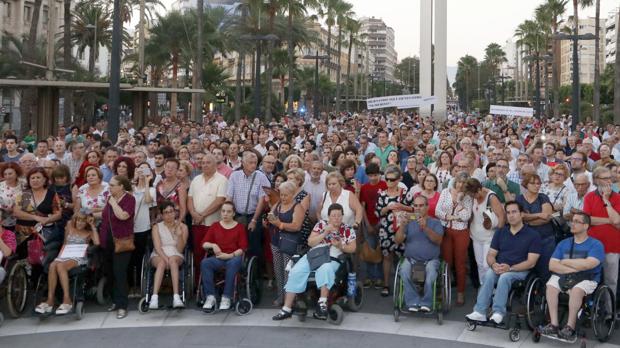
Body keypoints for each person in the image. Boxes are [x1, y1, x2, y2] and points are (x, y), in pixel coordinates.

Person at [272, 203, 356, 321]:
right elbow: (311, 242)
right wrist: (325, 233)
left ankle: (322, 303)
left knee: (325, 268)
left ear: (342, 216)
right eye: (333, 215)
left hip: (333, 257)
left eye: (339, 215)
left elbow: (352, 248)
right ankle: (287, 308)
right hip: (315, 255)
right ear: (328, 216)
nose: (336, 218)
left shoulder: (347, 229)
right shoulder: (321, 224)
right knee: (296, 271)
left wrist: (341, 246)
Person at [466, 201, 541, 325]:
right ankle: (480, 312)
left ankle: (498, 313)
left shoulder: (533, 235)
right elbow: (490, 255)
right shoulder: (501, 232)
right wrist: (493, 264)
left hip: (521, 270)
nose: (511, 215)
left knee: (505, 277)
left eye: (514, 212)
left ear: (522, 214)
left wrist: (510, 268)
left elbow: (531, 262)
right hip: (501, 267)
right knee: (489, 274)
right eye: (508, 213)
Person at [539, 212, 605, 341]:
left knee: (577, 290)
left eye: (576, 222)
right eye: (572, 221)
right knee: (551, 286)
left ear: (586, 226)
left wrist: (565, 261)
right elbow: (552, 265)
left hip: (588, 278)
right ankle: (554, 324)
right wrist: (574, 268)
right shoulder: (563, 243)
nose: (572, 224)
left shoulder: (596, 244)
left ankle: (570, 327)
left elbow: (588, 264)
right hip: (565, 276)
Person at [34, 211, 100, 315]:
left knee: (60, 266)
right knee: (52, 265)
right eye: (78, 220)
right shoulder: (70, 226)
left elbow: (97, 243)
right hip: (65, 254)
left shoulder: (89, 233)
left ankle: (67, 300)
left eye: (83, 221)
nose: (80, 223)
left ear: (86, 222)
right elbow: (65, 243)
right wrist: (59, 256)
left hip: (78, 256)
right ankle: (50, 300)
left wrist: (92, 225)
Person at [394, 195, 444, 312]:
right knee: (404, 271)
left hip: (431, 260)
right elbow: (397, 241)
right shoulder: (409, 222)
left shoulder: (435, 222)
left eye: (421, 206)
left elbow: (438, 240)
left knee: (431, 274)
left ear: (427, 207)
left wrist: (425, 227)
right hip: (411, 259)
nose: (417, 208)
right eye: (415, 206)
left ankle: (426, 302)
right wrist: (402, 226)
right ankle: (413, 301)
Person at [99, 175, 136, 319]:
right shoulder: (110, 198)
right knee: (110, 272)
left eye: (113, 185)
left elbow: (123, 216)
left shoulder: (129, 199)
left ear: (121, 186)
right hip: (107, 240)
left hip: (122, 241)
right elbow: (104, 215)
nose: (110, 187)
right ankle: (115, 300)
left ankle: (122, 305)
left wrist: (113, 203)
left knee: (119, 272)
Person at [200, 201, 248, 311]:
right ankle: (210, 297)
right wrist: (213, 245)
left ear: (234, 214)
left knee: (232, 263)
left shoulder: (239, 227)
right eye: (223, 211)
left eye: (229, 211)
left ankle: (226, 297)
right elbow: (204, 243)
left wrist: (230, 255)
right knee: (205, 263)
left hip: (234, 257)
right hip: (219, 257)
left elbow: (243, 248)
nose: (225, 214)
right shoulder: (215, 226)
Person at [435, 172, 473, 305]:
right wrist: (448, 217)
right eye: (459, 182)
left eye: (464, 183)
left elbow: (467, 215)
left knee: (460, 262)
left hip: (461, 231)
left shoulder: (468, 197)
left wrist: (459, 202)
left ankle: (460, 292)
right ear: (455, 181)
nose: (461, 185)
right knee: (446, 261)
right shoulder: (446, 192)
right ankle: (444, 289)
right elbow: (437, 211)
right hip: (446, 230)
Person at [583, 167, 620, 302]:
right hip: (593, 245)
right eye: (605, 178)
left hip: (612, 246)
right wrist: (609, 220)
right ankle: (590, 309)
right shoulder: (589, 197)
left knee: (611, 281)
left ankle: (610, 313)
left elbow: (617, 220)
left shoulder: (617, 197)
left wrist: (606, 201)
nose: (609, 181)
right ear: (596, 180)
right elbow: (587, 220)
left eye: (610, 178)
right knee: (591, 279)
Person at [226, 151, 270, 258]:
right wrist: (228, 214)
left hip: (253, 216)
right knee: (235, 244)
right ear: (243, 163)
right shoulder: (234, 176)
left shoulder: (261, 177)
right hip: (237, 216)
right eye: (250, 162)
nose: (253, 165)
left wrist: (254, 220)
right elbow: (229, 197)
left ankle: (254, 272)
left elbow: (262, 200)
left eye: (255, 162)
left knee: (254, 247)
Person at [267, 181, 304, 305]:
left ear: (292, 194)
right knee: (278, 271)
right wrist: (269, 219)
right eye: (281, 194)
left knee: (288, 272)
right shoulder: (278, 204)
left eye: (286, 195)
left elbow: (296, 226)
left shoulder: (298, 207)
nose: (282, 197)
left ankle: (290, 300)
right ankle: (280, 297)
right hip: (276, 241)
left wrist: (279, 224)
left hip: (290, 243)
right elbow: (271, 215)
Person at [376, 165, 411, 296]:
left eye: (392, 179)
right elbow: (378, 213)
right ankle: (386, 284)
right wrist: (387, 208)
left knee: (403, 258)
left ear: (398, 179)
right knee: (387, 257)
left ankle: (403, 284)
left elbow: (414, 211)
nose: (389, 182)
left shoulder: (405, 193)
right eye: (387, 179)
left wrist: (402, 207)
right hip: (385, 229)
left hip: (401, 229)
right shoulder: (382, 194)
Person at [13, 168, 63, 260]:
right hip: (24, 234)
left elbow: (58, 214)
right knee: (24, 259)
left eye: (38, 177)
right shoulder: (24, 194)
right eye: (32, 178)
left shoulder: (51, 194)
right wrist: (35, 217)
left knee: (43, 259)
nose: (35, 180)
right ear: (28, 180)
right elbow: (16, 212)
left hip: (45, 233)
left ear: (44, 180)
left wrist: (47, 220)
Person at [464, 178, 505, 286]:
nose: (473, 197)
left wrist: (499, 237)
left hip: (489, 238)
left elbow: (501, 217)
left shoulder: (491, 197)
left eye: (474, 195)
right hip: (476, 237)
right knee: (480, 265)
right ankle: (483, 287)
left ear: (479, 190)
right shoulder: (472, 197)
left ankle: (491, 288)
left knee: (487, 265)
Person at [148, 201, 189, 309]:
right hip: (159, 252)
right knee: (161, 263)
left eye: (171, 211)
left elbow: (180, 249)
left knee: (173, 262)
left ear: (175, 212)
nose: (169, 214)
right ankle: (154, 298)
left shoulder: (183, 227)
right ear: (161, 215)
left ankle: (176, 296)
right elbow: (157, 246)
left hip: (175, 253)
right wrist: (165, 258)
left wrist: (180, 236)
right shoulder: (156, 227)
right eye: (166, 212)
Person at [516, 174, 555, 279]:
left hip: (545, 239)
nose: (536, 186)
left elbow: (546, 217)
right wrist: (538, 214)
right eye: (533, 183)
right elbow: (518, 217)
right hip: (526, 240)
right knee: (528, 269)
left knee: (545, 270)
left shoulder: (543, 197)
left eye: (538, 183)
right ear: (526, 184)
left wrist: (527, 219)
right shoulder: (519, 199)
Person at [359, 163, 387, 288]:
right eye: (371, 176)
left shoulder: (385, 185)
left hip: (383, 222)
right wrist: (367, 224)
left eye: (376, 175)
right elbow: (363, 207)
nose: (373, 178)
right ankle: (370, 276)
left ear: (379, 174)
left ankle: (379, 277)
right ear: (367, 176)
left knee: (380, 250)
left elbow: (387, 205)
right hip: (369, 222)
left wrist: (380, 222)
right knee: (369, 249)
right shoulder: (364, 188)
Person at [0, 162, 23, 231]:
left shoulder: (24, 184)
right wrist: (3, 208)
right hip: (4, 221)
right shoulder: (1, 185)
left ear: (16, 173)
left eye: (10, 173)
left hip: (22, 219)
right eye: (5, 174)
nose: (7, 176)